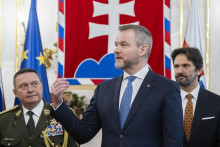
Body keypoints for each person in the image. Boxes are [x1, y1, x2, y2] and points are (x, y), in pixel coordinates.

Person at [51, 24, 183, 147]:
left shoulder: (166, 88)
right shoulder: (103, 90)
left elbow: (173, 141)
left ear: (142, 50)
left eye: (124, 45)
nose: (116, 50)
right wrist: (58, 103)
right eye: (116, 44)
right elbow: (83, 134)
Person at [0, 68, 78, 147]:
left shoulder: (63, 115)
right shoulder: (3, 120)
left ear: (41, 86)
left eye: (34, 84)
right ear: (15, 92)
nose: (30, 90)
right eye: (23, 86)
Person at [171, 47, 220, 147]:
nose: (179, 71)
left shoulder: (216, 103)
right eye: (176, 66)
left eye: (185, 66)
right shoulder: (164, 101)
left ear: (198, 70)